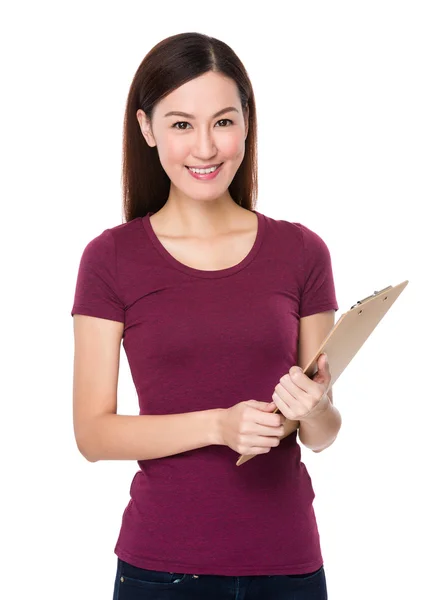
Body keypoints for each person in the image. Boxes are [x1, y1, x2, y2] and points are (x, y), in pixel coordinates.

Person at [71, 32, 342, 600]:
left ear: (247, 122)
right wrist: (218, 425)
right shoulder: (111, 258)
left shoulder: (302, 252)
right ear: (146, 129)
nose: (205, 148)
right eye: (180, 125)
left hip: (289, 565)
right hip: (164, 569)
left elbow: (323, 432)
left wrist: (314, 409)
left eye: (222, 122)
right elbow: (93, 433)